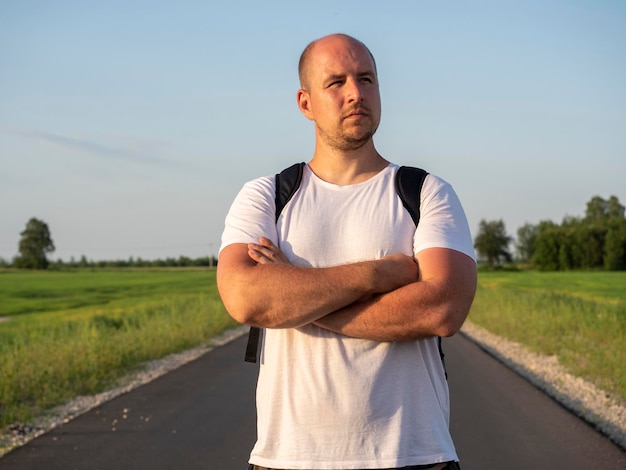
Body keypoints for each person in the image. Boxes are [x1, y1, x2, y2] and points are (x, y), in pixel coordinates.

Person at [217, 33, 477, 470]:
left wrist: (296, 301)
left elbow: (442, 310)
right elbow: (245, 298)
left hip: (413, 456)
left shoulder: (425, 193)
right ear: (305, 103)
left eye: (367, 78)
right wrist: (380, 274)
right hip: (288, 459)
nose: (356, 93)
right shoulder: (266, 196)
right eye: (335, 82)